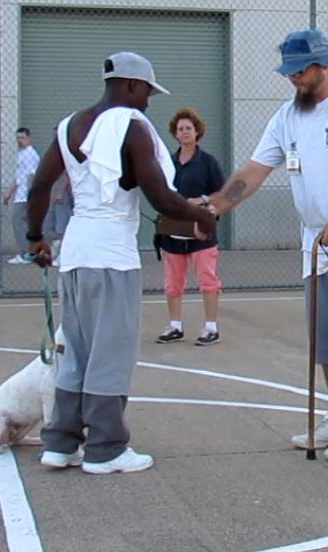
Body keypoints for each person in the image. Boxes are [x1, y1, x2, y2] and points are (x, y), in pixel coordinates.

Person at [209, 29, 328, 462]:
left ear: (322, 65)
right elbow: (255, 171)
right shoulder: (287, 117)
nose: (291, 79)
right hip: (316, 241)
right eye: (288, 71)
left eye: (298, 71)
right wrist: (215, 207)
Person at [25, 51, 216, 474]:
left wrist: (36, 237)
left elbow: (41, 185)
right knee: (111, 352)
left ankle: (61, 442)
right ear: (131, 85)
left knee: (75, 349)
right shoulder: (132, 126)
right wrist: (201, 215)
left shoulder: (69, 125)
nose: (149, 100)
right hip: (112, 255)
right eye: (147, 90)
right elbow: (160, 196)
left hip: (74, 253)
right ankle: (107, 448)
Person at [156, 107, 224, 346]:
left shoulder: (208, 162)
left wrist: (203, 201)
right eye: (180, 129)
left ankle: (211, 327)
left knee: (207, 277)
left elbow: (222, 194)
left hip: (200, 229)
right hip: (174, 229)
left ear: (197, 132)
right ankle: (175, 325)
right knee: (173, 280)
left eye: (188, 128)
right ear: (175, 134)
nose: (184, 132)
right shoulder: (168, 162)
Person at [3, 127, 40, 264]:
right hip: (20, 195)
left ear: (29, 138)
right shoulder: (22, 154)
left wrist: (30, 195)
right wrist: (10, 191)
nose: (19, 141)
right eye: (18, 138)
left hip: (25, 196)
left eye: (22, 138)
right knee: (22, 224)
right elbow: (19, 177)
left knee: (19, 223)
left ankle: (26, 254)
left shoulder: (30, 154)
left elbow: (31, 176)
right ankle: (28, 252)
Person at [43, 127, 74, 267]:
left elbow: (69, 173)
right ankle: (56, 246)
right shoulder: (54, 153)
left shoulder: (67, 152)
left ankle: (64, 255)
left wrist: (61, 190)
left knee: (62, 225)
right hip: (54, 192)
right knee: (49, 225)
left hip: (64, 194)